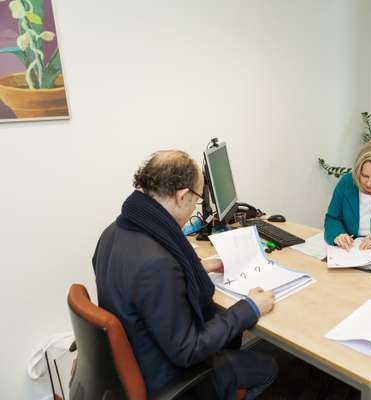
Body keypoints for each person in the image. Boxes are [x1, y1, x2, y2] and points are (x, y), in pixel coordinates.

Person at [93, 150, 277, 400]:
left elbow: (140, 291)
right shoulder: (157, 265)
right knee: (270, 367)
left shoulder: (112, 233)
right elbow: (188, 349)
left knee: (231, 338)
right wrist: (251, 308)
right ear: (182, 196)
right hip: (169, 378)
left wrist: (199, 267)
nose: (195, 208)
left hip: (134, 360)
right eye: (198, 200)